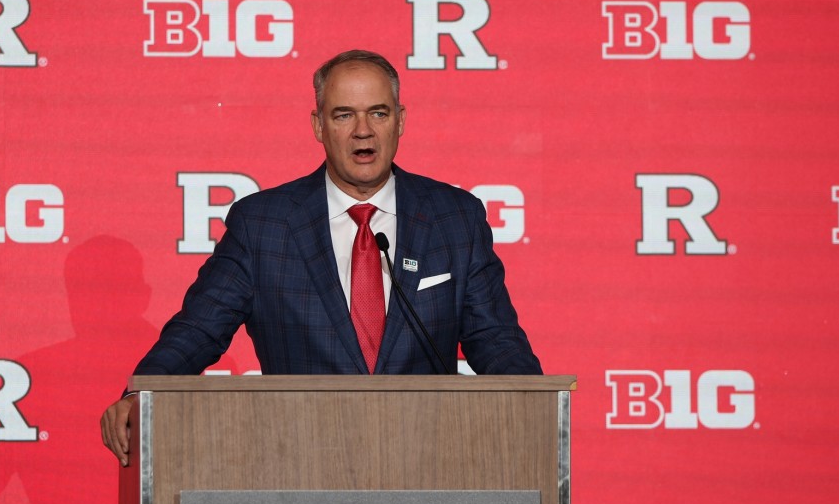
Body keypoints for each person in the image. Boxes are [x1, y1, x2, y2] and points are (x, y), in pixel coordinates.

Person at [101, 50, 540, 464]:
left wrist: (536, 405)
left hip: (429, 455)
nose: (362, 130)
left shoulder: (454, 217)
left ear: (401, 121)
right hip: (302, 459)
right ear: (318, 125)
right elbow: (199, 330)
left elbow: (494, 337)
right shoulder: (264, 225)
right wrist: (141, 393)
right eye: (344, 114)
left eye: (378, 113)